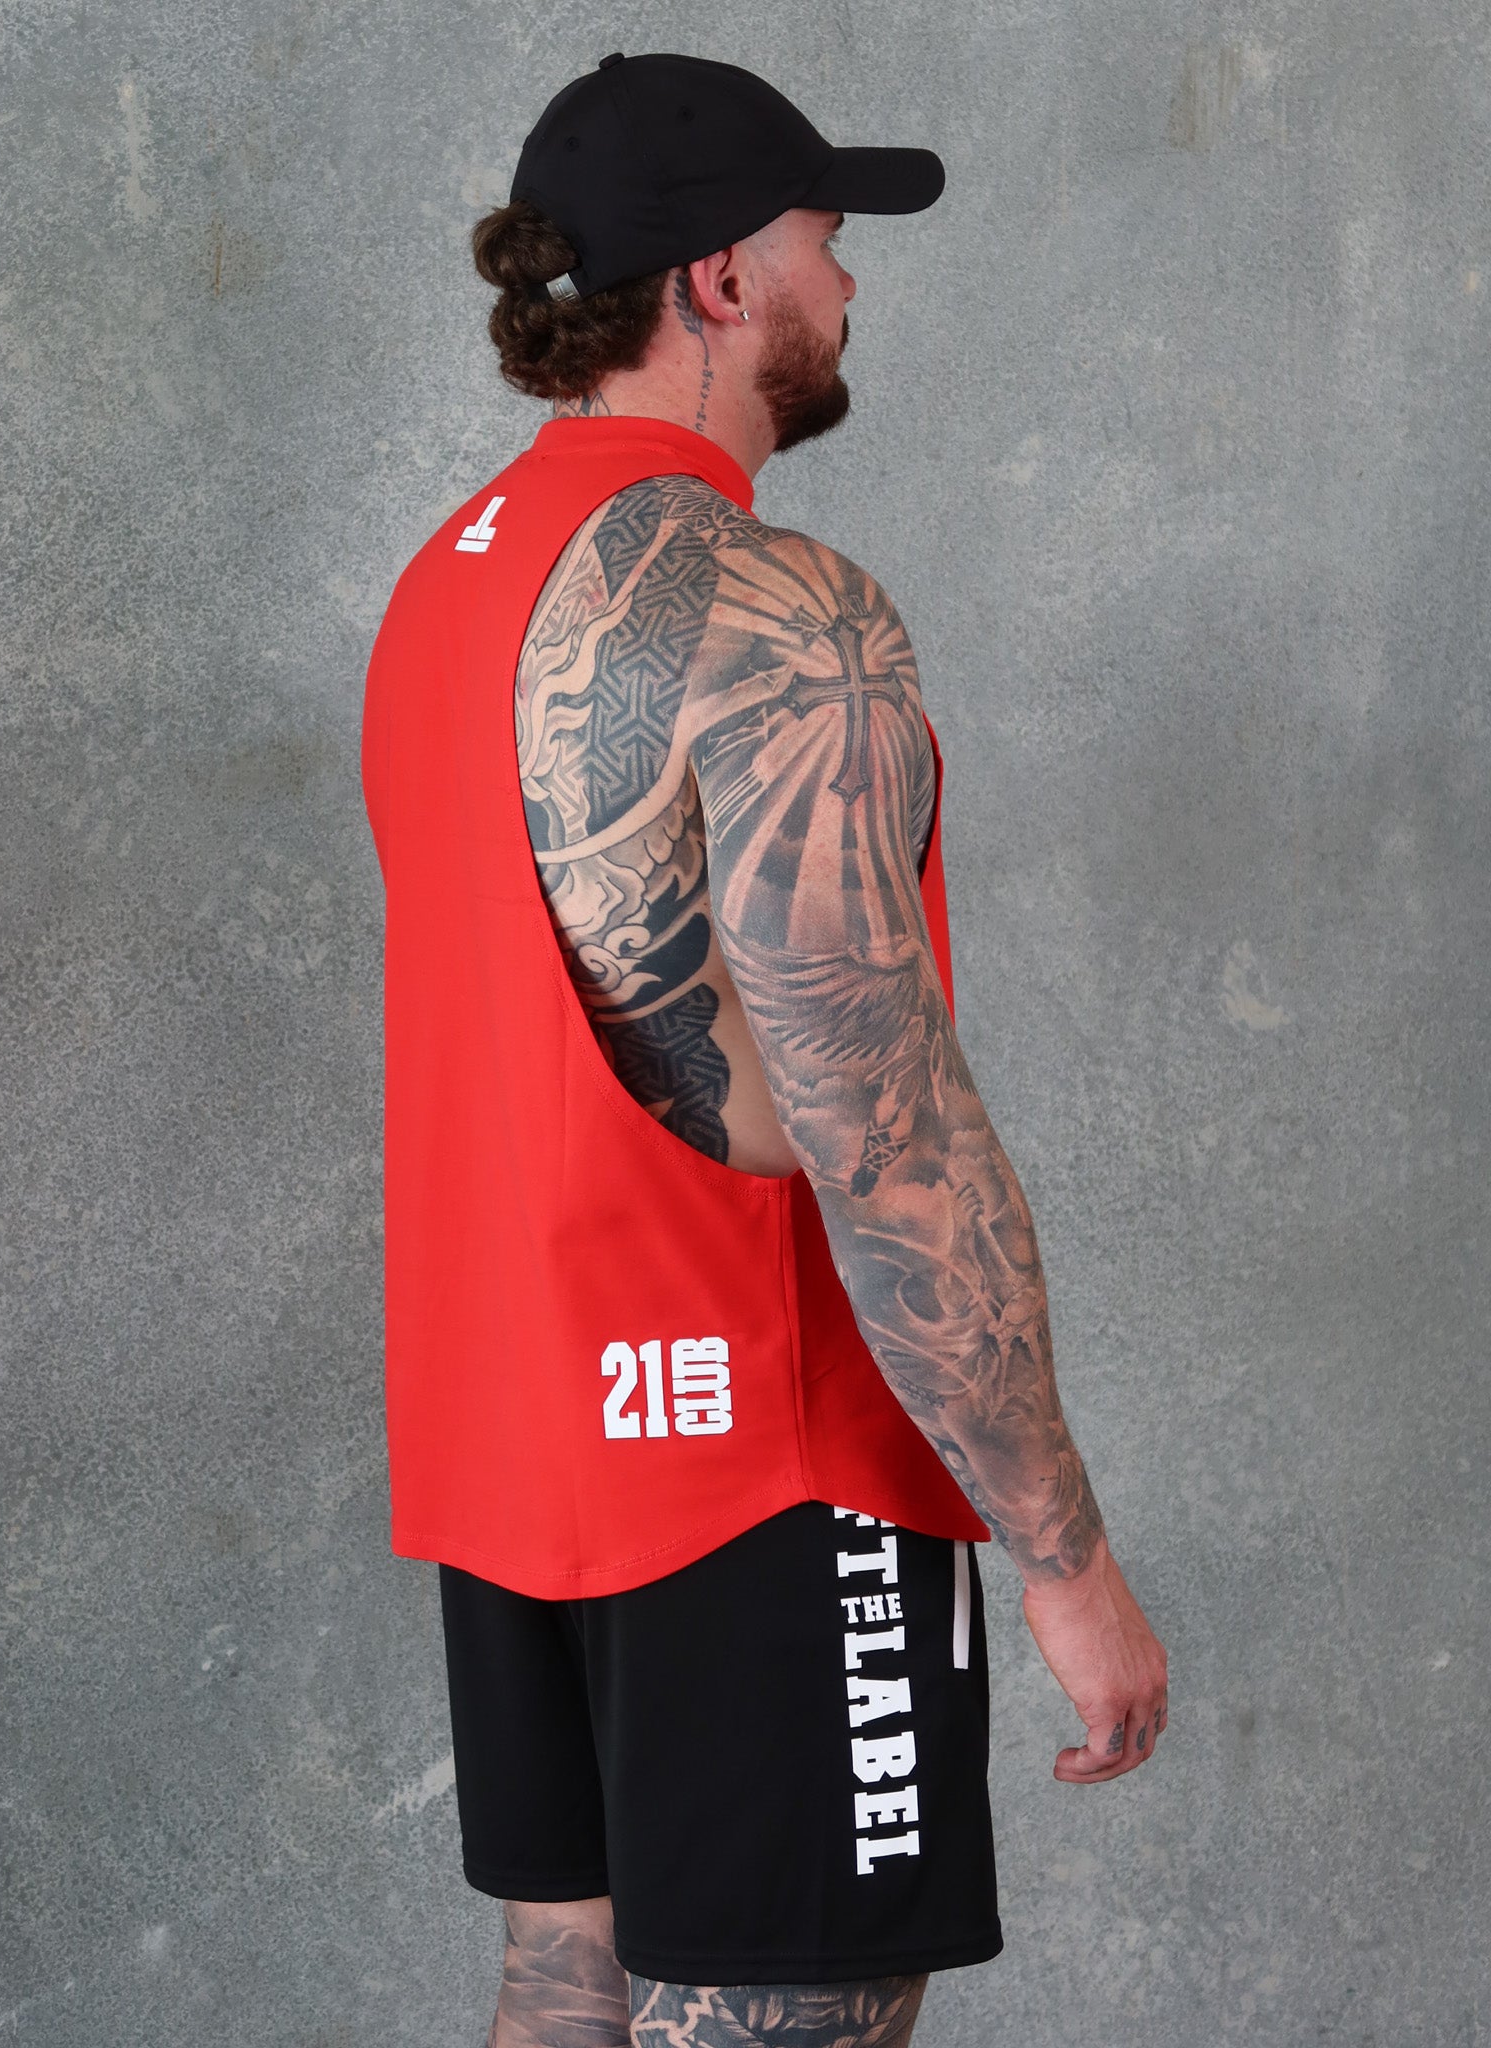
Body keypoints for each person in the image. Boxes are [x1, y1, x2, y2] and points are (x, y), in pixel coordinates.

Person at [360, 49, 1168, 2048]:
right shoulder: (784, 614)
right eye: (826, 239)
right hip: (762, 1457)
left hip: (518, 1439)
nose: (852, 282)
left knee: (566, 1988)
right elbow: (883, 1128)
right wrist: (1063, 1555)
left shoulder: (443, 589)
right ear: (722, 280)